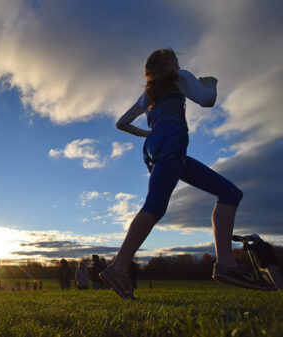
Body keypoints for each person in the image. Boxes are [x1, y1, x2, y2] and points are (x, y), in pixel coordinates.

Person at [100, 48, 261, 300]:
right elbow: (207, 100)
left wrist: (149, 133)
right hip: (172, 143)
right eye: (174, 59)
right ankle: (118, 268)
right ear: (168, 64)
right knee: (155, 206)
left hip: (159, 148)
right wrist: (211, 83)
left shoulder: (148, 95)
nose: (178, 62)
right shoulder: (179, 76)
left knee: (230, 193)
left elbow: (121, 123)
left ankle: (225, 264)